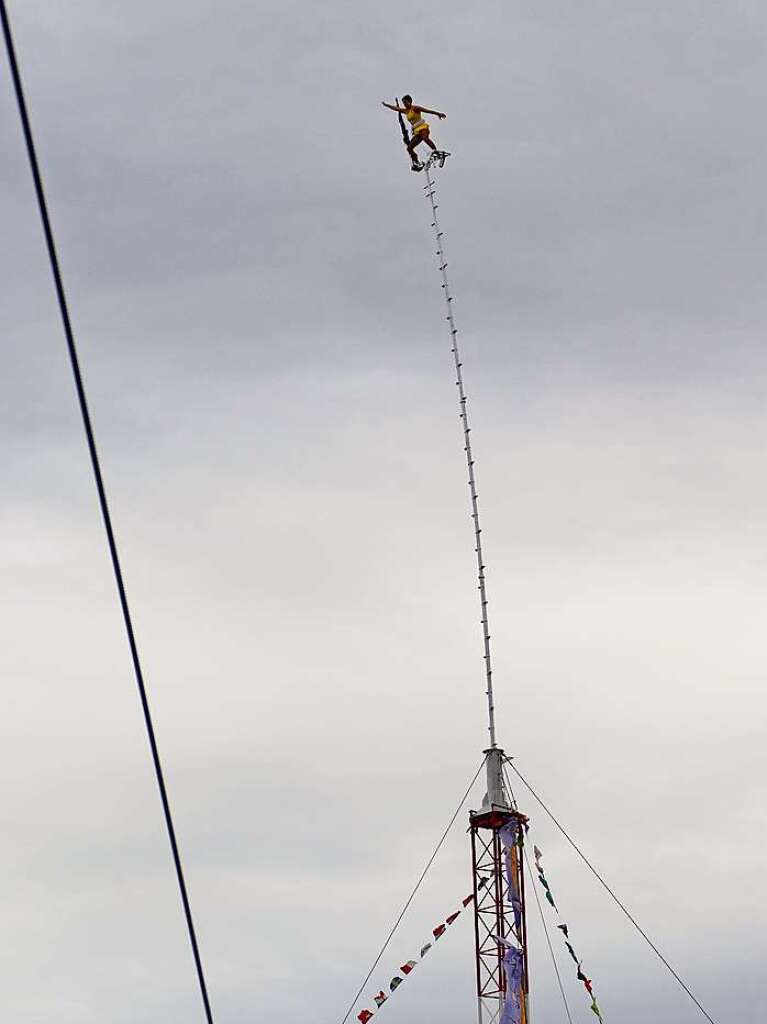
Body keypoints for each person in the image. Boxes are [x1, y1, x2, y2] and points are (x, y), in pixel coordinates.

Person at [382, 95, 447, 170]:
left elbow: (428, 111)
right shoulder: (406, 111)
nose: (404, 105)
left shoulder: (415, 108)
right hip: (416, 132)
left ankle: (435, 151)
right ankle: (416, 162)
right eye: (403, 103)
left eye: (405, 102)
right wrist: (387, 105)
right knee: (409, 148)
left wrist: (438, 114)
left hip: (423, 128)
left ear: (410, 102)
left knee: (425, 138)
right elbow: (396, 109)